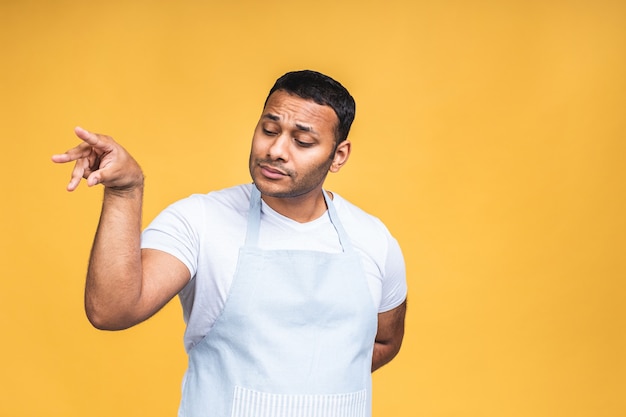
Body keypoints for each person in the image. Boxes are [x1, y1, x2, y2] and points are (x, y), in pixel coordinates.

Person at [52, 70, 407, 417]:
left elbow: (385, 342)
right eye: (269, 130)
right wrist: (124, 191)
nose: (277, 150)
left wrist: (308, 393)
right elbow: (111, 310)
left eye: (302, 141)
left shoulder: (373, 238)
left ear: (339, 155)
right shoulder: (200, 220)